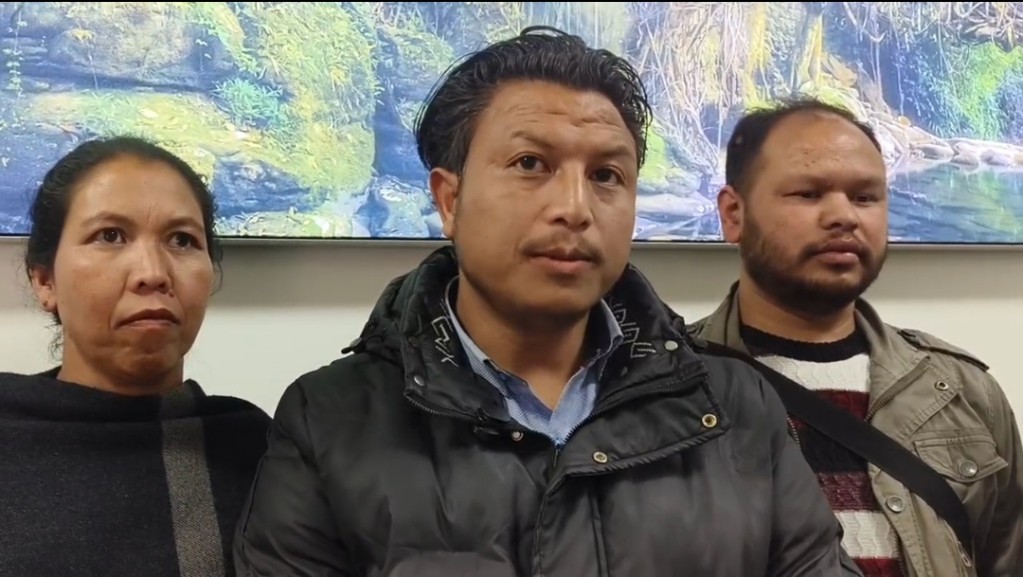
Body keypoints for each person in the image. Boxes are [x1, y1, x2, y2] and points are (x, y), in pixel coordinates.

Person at [234, 27, 861, 576]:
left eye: (606, 175)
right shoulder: (330, 420)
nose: (575, 208)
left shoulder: (734, 406)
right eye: (531, 163)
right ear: (449, 200)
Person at [688, 98, 1023, 577]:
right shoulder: (668, 385)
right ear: (733, 214)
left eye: (865, 197)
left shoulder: (960, 391)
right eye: (807, 194)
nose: (843, 216)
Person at [0, 136, 272, 577]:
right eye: (110, 236)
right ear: (45, 280)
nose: (152, 273)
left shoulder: (259, 452)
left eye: (182, 240)